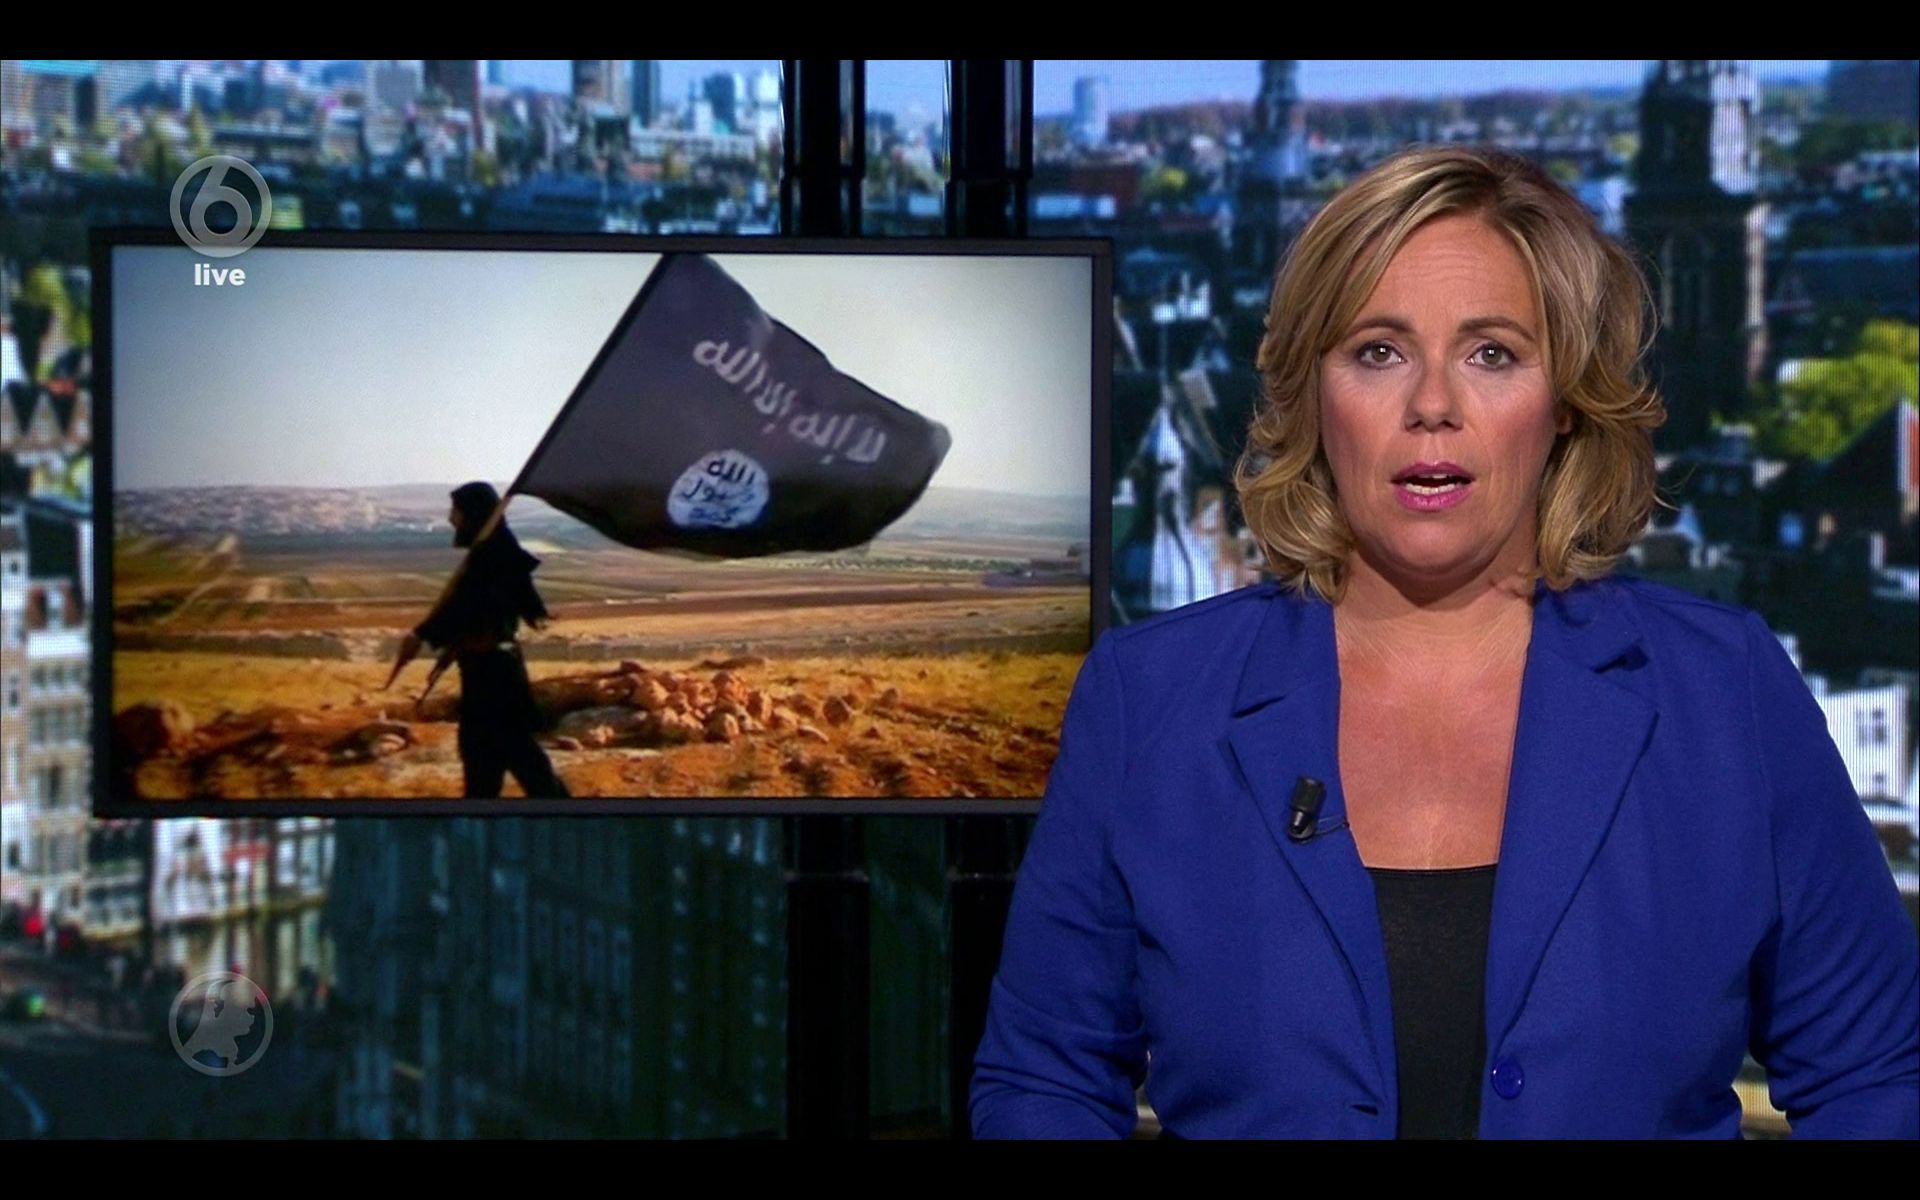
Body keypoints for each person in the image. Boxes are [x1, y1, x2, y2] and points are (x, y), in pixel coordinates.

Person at [970, 145, 1919, 1140]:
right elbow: (1044, 1084)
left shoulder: (1724, 695)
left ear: (1565, 401)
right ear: (1312, 393)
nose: (1432, 405)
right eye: (1378, 352)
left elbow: (1879, 1078)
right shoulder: (1150, 699)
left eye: (1492, 354)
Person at [395, 481, 570, 799]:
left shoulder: (493, 558)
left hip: (496, 675)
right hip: (486, 671)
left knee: (512, 753)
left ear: (473, 514)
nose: (451, 518)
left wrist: (422, 634)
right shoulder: (491, 554)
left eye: (456, 511)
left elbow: (466, 607)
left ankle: (562, 812)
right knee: (488, 757)